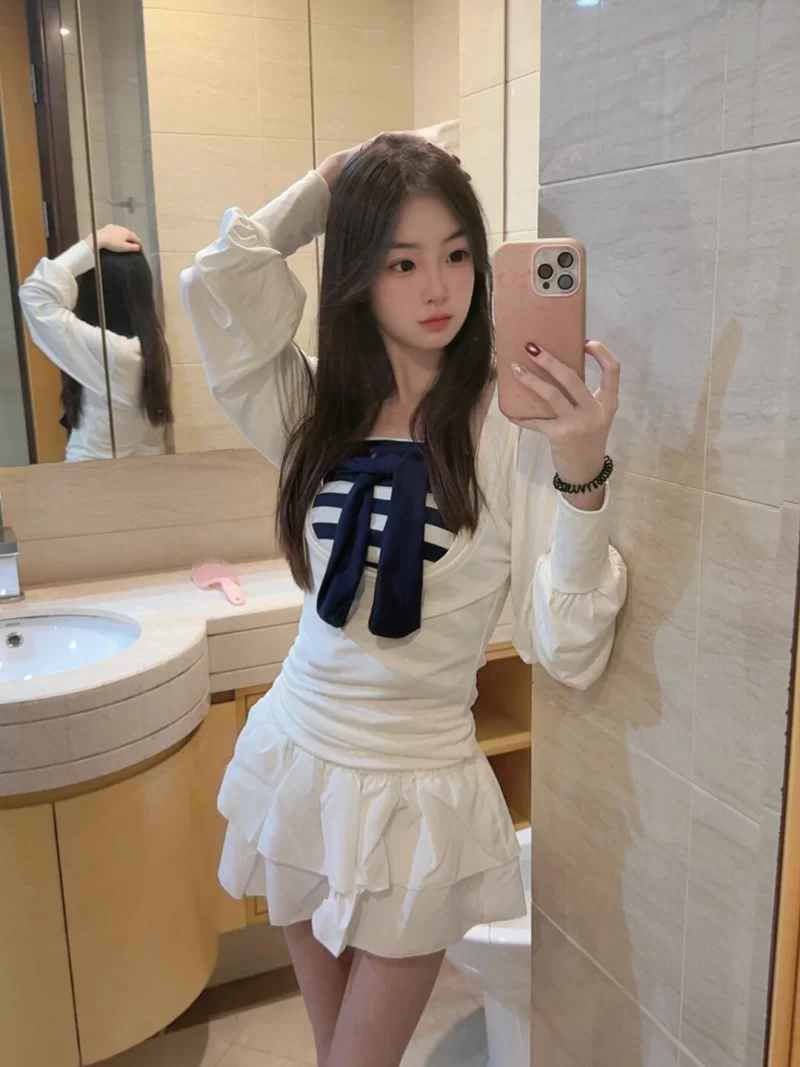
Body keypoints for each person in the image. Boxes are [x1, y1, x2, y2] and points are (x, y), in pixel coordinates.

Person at [181, 134, 627, 1067]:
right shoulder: (316, 408)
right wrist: (330, 182)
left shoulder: (508, 427)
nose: (439, 289)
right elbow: (220, 286)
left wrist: (583, 476)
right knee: (333, 1051)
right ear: (358, 274)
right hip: (300, 758)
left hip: (417, 790)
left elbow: (568, 644)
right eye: (402, 261)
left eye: (457, 255)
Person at [19, 224, 173, 461]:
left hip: (86, 474)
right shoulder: (152, 349)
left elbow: (34, 295)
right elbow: (152, 436)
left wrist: (92, 242)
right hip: (116, 473)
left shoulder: (114, 354)